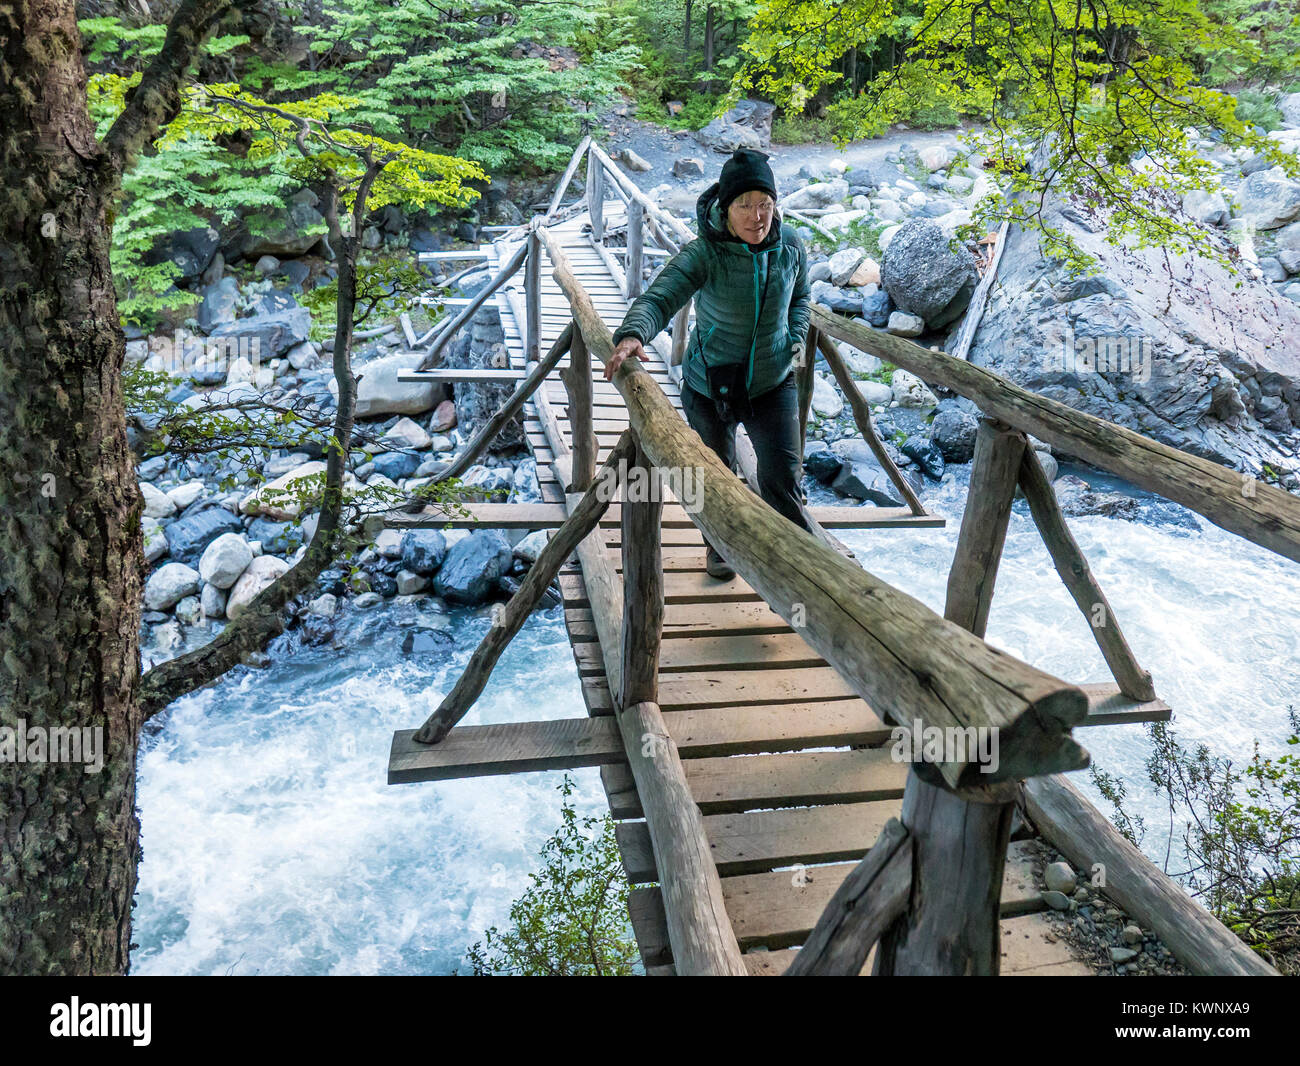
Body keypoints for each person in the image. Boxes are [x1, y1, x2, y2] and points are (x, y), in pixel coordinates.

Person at [606, 148, 812, 580]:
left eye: (765, 204)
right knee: (714, 480)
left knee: (782, 478)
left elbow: (802, 299)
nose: (757, 217)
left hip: (773, 384)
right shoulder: (706, 253)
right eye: (745, 205)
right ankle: (718, 549)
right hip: (709, 385)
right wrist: (631, 335)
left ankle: (802, 573)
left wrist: (793, 341)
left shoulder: (791, 244)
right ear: (725, 207)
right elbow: (661, 296)